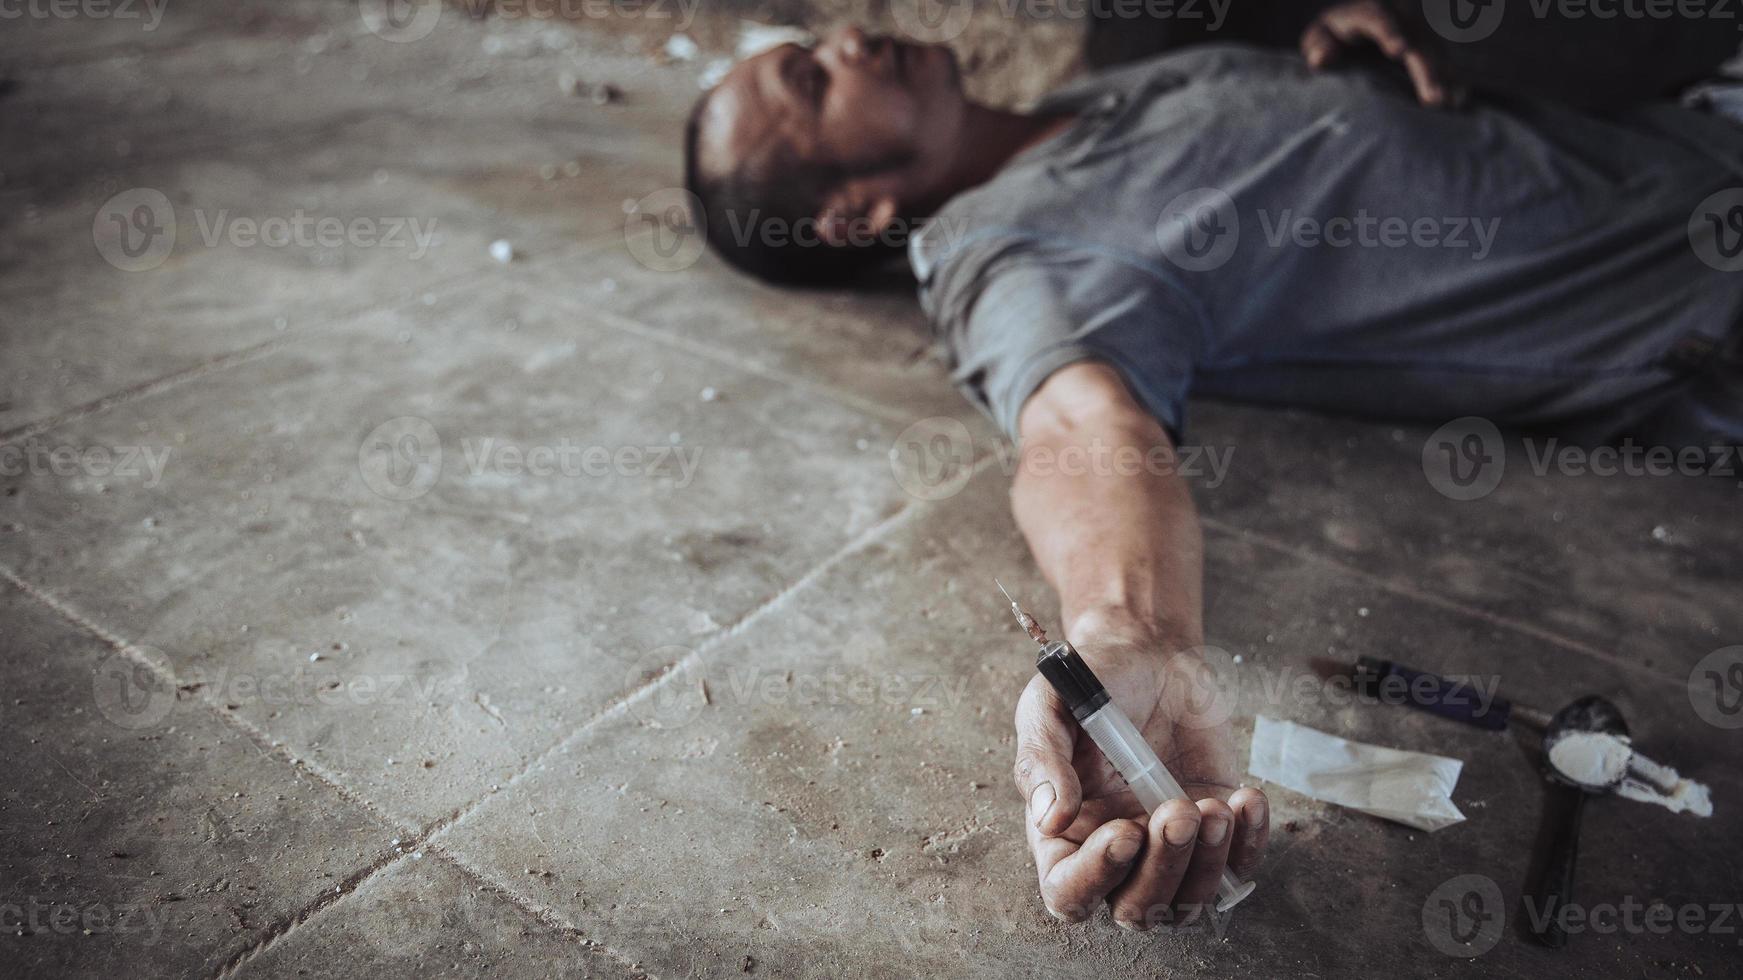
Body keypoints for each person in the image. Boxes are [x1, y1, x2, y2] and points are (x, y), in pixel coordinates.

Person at [680, 7, 1743, 931]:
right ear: (854, 211)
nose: (849, 39)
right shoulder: (1001, 253)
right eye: (814, 80)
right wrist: (1129, 632)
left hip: (1687, 134)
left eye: (815, 47)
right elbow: (1080, 426)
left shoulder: (1093, 94)